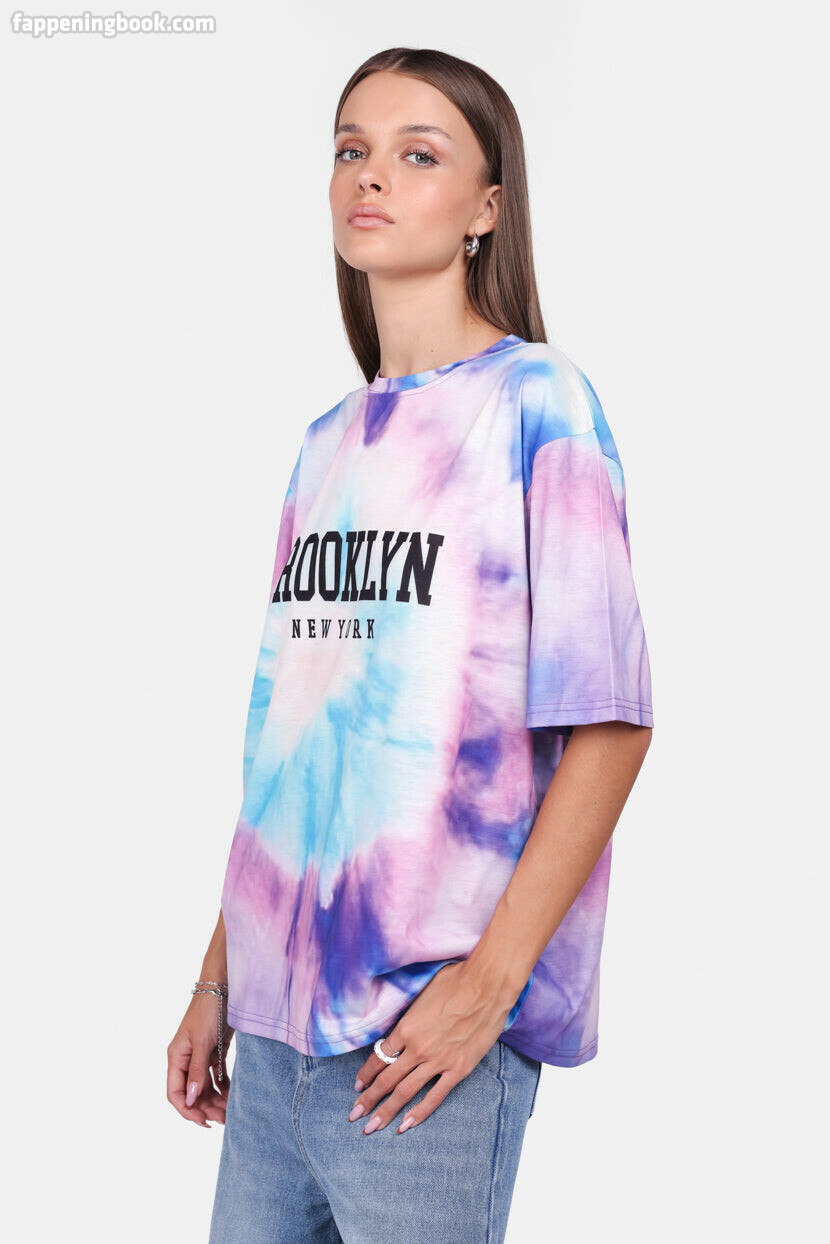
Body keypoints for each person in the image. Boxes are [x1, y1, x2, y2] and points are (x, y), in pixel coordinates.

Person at [167, 46, 655, 1244]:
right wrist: (216, 976)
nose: (369, 175)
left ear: (486, 207)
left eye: (415, 153)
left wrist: (486, 985)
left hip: (422, 1045)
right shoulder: (324, 442)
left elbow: (607, 722)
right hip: (271, 1042)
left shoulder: (537, 405)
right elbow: (291, 754)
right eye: (350, 148)